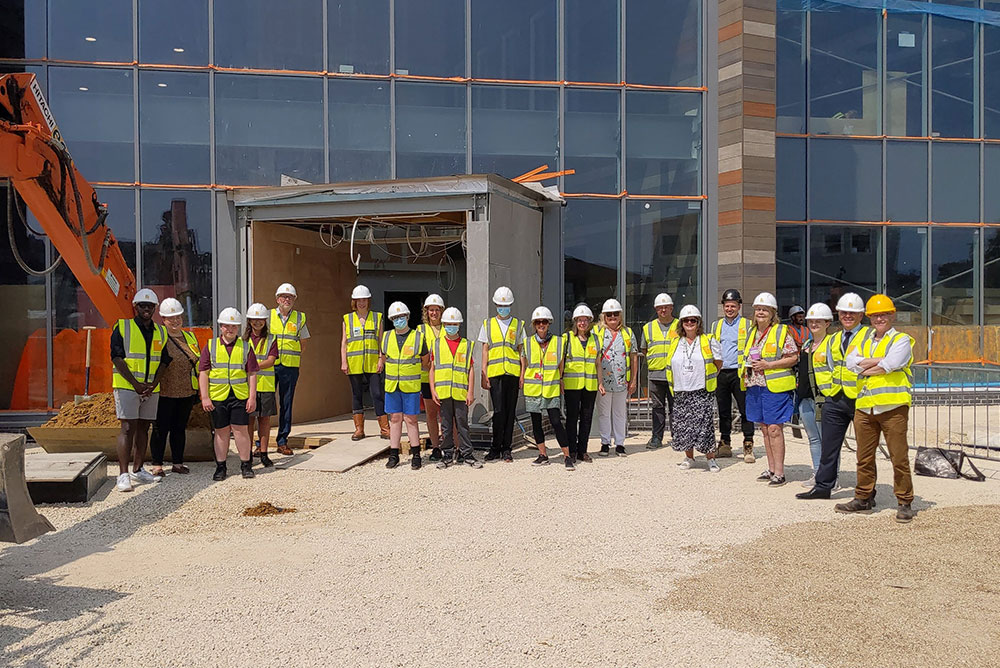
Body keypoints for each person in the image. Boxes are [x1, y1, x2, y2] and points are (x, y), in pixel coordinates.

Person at [838, 295, 915, 523]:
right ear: (870, 318)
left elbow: (890, 365)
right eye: (875, 315)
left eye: (884, 314)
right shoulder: (862, 340)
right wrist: (879, 362)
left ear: (892, 315)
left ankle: (904, 501)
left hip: (892, 407)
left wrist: (869, 365)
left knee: (898, 457)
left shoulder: (902, 340)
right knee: (863, 456)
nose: (880, 319)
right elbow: (850, 364)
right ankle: (863, 497)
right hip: (864, 406)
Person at [796, 293, 870, 501]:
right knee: (829, 446)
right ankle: (823, 486)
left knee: (864, 448)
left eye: (852, 313)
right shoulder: (835, 339)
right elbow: (829, 367)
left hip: (860, 398)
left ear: (861, 315)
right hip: (835, 398)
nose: (847, 316)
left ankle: (866, 490)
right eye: (844, 312)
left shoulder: (868, 336)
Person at [110, 288, 168, 492]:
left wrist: (153, 383)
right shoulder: (123, 327)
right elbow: (116, 357)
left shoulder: (161, 331)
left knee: (144, 428)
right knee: (127, 428)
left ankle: (138, 468)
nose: (146, 309)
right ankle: (123, 474)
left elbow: (164, 361)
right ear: (135, 306)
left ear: (155, 308)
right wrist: (135, 384)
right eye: (142, 305)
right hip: (127, 386)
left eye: (150, 306)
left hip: (151, 389)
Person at [742, 292, 798, 487]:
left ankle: (780, 472)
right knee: (765, 429)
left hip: (774, 387)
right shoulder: (752, 332)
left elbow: (793, 357)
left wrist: (769, 365)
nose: (760, 312)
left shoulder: (782, 331)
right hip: (755, 385)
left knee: (774, 429)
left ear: (772, 312)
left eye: (765, 310)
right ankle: (772, 468)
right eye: (758, 309)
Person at [199, 308, 258, 481]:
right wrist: (205, 397)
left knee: (241, 431)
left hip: (239, 396)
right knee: (221, 432)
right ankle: (221, 467)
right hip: (218, 397)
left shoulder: (245, 346)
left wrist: (252, 397)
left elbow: (252, 373)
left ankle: (246, 465)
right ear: (221, 326)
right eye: (227, 326)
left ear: (238, 328)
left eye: (234, 326)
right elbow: (203, 372)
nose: (230, 329)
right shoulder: (210, 346)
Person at [667, 306, 723, 471]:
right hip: (681, 390)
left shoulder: (708, 339)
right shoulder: (675, 342)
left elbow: (718, 362)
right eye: (686, 320)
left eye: (693, 320)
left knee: (705, 426)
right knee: (684, 426)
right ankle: (689, 457)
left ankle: (711, 459)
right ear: (681, 323)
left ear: (698, 323)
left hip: (701, 390)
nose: (689, 323)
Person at [149, 297, 200, 477]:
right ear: (163, 319)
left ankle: (178, 463)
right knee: (160, 429)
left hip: (186, 391)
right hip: (164, 391)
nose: (176, 320)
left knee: (179, 428)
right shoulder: (159, 336)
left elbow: (197, 361)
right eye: (171, 318)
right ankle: (157, 464)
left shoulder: (190, 337)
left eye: (178, 316)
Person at [521, 307, 574, 470]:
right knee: (536, 423)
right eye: (538, 322)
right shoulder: (527, 342)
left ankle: (567, 456)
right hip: (533, 388)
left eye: (544, 321)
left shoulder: (559, 341)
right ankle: (543, 455)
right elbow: (524, 361)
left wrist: (561, 379)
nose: (541, 324)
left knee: (556, 422)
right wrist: (522, 377)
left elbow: (561, 364)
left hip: (551, 387)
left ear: (549, 323)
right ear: (534, 324)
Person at [429, 307, 482, 469]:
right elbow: (432, 369)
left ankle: (467, 454)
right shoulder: (436, 344)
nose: (451, 326)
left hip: (460, 393)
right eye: (448, 323)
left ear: (459, 325)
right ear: (444, 324)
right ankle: (447, 455)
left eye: (455, 323)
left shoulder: (466, 344)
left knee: (462, 424)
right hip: (443, 393)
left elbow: (470, 369)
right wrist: (433, 390)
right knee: (445, 425)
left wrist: (471, 392)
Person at [382, 301, 430, 470]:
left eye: (401, 316)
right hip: (392, 386)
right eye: (395, 317)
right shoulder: (386, 337)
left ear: (407, 317)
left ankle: (416, 455)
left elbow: (425, 360)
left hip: (410, 386)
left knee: (411, 420)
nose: (398, 320)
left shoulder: (418, 337)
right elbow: (383, 357)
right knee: (394, 419)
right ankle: (393, 454)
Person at [479, 286, 525, 463]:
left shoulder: (518, 325)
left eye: (506, 305)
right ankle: (495, 448)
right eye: (500, 305)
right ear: (495, 304)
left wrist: (522, 375)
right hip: (495, 374)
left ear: (511, 305)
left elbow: (522, 352)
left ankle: (507, 448)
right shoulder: (487, 324)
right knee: (498, 412)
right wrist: (484, 373)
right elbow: (485, 350)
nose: (503, 308)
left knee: (510, 411)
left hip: (512, 374)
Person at [710, 289, 755, 461]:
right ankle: (725, 442)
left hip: (740, 372)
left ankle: (748, 443)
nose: (729, 309)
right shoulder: (716, 326)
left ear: (739, 306)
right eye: (727, 306)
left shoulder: (747, 324)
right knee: (723, 410)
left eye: (733, 306)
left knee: (746, 409)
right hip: (722, 372)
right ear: (723, 306)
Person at [341, 285, 387, 441]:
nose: (361, 303)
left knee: (377, 394)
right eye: (358, 300)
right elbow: (344, 342)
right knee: (356, 394)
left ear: (368, 301)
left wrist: (382, 359)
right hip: (354, 363)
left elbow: (381, 340)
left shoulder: (377, 317)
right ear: (354, 301)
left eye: (364, 300)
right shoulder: (347, 319)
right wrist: (343, 362)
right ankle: (359, 429)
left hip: (373, 362)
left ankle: (384, 428)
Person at [797, 303, 834, 487]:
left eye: (819, 321)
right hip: (806, 398)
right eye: (811, 321)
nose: (814, 324)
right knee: (813, 439)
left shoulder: (831, 344)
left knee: (827, 442)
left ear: (828, 323)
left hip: (824, 399)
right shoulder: (807, 344)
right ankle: (818, 473)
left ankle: (830, 478)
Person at [594, 298, 637, 457]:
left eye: (615, 314)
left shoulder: (627, 333)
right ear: (604, 316)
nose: (612, 317)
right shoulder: (597, 332)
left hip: (621, 381)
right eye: (609, 314)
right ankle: (605, 442)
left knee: (619, 413)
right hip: (602, 381)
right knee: (604, 413)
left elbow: (633, 357)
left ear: (620, 315)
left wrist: (633, 380)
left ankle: (620, 443)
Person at [271, 282, 309, 455]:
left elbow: (303, 343)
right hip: (269, 366)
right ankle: (260, 442)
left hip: (290, 367)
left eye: (290, 297)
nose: (287, 299)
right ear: (277, 299)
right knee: (264, 403)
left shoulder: (300, 318)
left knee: (287, 404)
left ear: (294, 300)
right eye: (284, 297)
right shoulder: (268, 316)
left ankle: (282, 440)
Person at [563, 304, 602, 464]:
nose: (582, 323)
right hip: (572, 385)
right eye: (580, 320)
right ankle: (572, 450)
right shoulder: (567, 338)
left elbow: (598, 363)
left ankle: (582, 451)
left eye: (585, 320)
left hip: (590, 386)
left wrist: (601, 383)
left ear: (590, 322)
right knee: (572, 419)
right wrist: (559, 381)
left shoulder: (595, 339)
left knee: (586, 419)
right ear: (575, 322)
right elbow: (561, 361)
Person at [640, 292, 678, 450]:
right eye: (660, 308)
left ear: (671, 308)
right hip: (656, 375)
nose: (663, 310)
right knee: (657, 407)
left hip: (675, 375)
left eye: (666, 307)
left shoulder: (680, 325)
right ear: (656, 309)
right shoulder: (648, 328)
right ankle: (657, 437)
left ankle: (678, 438)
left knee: (676, 407)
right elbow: (645, 349)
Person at [245, 303, 279, 468]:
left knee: (264, 420)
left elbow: (271, 360)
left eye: (261, 319)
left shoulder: (272, 338)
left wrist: (253, 366)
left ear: (265, 320)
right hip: (247, 387)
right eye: (254, 319)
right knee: (249, 421)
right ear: (249, 320)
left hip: (266, 386)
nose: (258, 322)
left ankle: (264, 453)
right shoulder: (242, 340)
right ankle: (248, 455)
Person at [419, 294, 446, 460]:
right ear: (426, 312)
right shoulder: (420, 330)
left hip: (444, 378)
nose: (434, 313)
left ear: (441, 311)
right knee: (430, 414)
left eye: (437, 310)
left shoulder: (449, 327)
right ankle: (435, 447)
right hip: (426, 379)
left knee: (445, 415)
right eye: (431, 310)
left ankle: (447, 444)